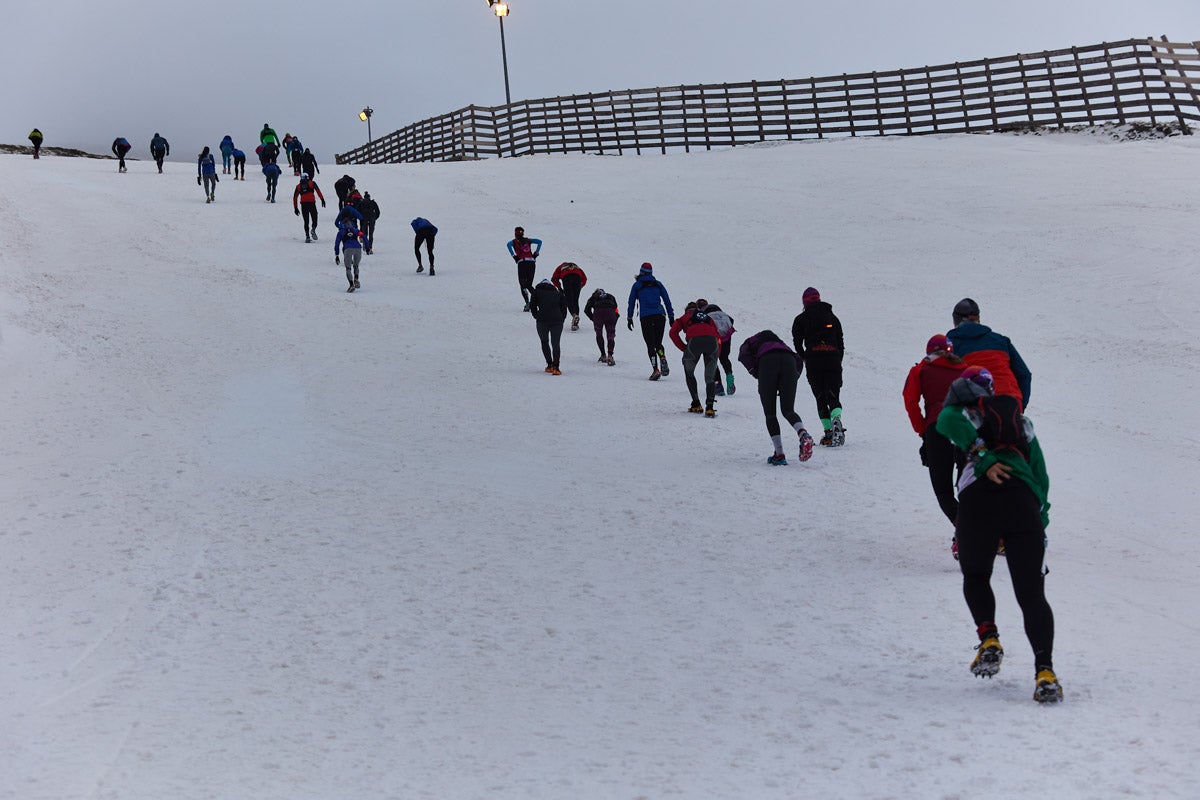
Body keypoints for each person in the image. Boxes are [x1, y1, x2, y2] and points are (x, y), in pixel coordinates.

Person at [935, 366, 1060, 703]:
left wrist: (982, 457)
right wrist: (1041, 519)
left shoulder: (967, 414)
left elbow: (944, 420)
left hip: (978, 500)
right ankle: (1045, 672)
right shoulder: (1021, 423)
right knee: (1032, 593)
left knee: (976, 575)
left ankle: (989, 637)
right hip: (1023, 501)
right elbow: (1041, 474)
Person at [903, 334, 968, 552]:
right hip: (965, 431)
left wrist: (923, 430)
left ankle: (964, 530)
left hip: (937, 429)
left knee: (943, 491)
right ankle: (975, 530)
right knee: (967, 486)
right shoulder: (966, 370)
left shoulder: (921, 369)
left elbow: (910, 400)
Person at [738, 330, 815, 465]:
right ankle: (803, 434)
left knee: (770, 414)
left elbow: (743, 354)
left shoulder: (751, 341)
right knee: (788, 410)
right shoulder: (781, 344)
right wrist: (791, 380)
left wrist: (756, 372)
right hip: (789, 362)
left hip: (767, 362)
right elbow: (798, 359)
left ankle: (779, 454)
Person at [947, 298, 1032, 410]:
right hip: (1011, 401)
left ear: (955, 320)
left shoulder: (950, 344)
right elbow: (1024, 374)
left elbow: (943, 378)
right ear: (978, 318)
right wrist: (1020, 406)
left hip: (978, 405)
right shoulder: (1000, 340)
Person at [791, 286, 845, 446]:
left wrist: (804, 357)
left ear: (804, 303)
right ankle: (836, 419)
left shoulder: (800, 319)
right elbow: (840, 340)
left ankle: (828, 433)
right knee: (833, 394)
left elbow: (797, 342)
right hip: (833, 357)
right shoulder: (832, 317)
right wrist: (838, 358)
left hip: (814, 359)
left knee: (820, 396)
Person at [669, 301, 721, 417]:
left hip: (694, 342)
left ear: (687, 310)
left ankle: (696, 404)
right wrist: (717, 354)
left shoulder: (684, 317)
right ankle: (710, 407)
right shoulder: (707, 318)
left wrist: (684, 348)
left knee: (689, 372)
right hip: (712, 342)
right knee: (710, 376)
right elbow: (717, 334)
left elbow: (672, 332)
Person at [626, 262, 675, 380]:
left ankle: (655, 369)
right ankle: (662, 356)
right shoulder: (658, 284)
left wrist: (629, 317)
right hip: (660, 315)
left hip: (646, 317)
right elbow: (667, 300)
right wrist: (671, 317)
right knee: (658, 343)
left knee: (650, 345)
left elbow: (631, 301)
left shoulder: (637, 285)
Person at [527, 279, 568, 375]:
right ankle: (556, 367)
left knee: (544, 341)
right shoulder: (558, 293)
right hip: (557, 321)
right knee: (555, 343)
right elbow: (564, 307)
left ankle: (549, 365)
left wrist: (537, 316)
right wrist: (562, 318)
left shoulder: (536, 292)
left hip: (542, 321)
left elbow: (532, 305)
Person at [698, 299, 736, 396]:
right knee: (724, 357)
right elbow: (731, 320)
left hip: (714, 335)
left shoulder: (702, 314)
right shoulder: (720, 311)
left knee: (712, 359)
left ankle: (718, 385)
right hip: (726, 334)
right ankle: (729, 375)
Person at [506, 226, 543, 311]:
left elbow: (508, 245)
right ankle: (539, 301)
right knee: (529, 285)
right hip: (531, 263)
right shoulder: (528, 240)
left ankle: (528, 303)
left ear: (515, 233)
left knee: (522, 284)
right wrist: (536, 253)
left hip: (522, 263)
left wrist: (514, 256)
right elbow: (539, 242)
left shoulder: (514, 242)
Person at [583, 288, 620, 365]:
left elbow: (586, 310)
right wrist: (615, 317)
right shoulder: (610, 296)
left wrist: (593, 318)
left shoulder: (592, 298)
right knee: (610, 335)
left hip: (598, 313)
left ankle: (603, 355)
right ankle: (610, 356)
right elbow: (616, 308)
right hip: (610, 313)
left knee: (599, 334)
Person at [551, 262, 588, 331]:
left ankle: (574, 315)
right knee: (575, 301)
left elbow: (554, 279)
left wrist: (559, 288)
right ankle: (575, 322)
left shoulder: (561, 267)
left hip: (567, 278)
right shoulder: (577, 267)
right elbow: (584, 278)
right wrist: (580, 287)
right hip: (577, 278)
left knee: (569, 300)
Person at [335, 223, 370, 293]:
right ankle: (356, 279)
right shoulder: (355, 230)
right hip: (358, 248)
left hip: (348, 249)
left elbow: (337, 244)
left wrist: (337, 255)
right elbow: (363, 236)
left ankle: (351, 285)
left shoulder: (341, 232)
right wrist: (367, 247)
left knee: (348, 268)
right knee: (356, 266)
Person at [292, 173, 326, 243]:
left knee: (306, 221)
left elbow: (295, 197)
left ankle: (307, 237)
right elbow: (318, 191)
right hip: (312, 203)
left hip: (303, 204)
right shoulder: (312, 183)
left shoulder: (298, 186)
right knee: (315, 218)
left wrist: (295, 207)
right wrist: (322, 199)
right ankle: (313, 229)